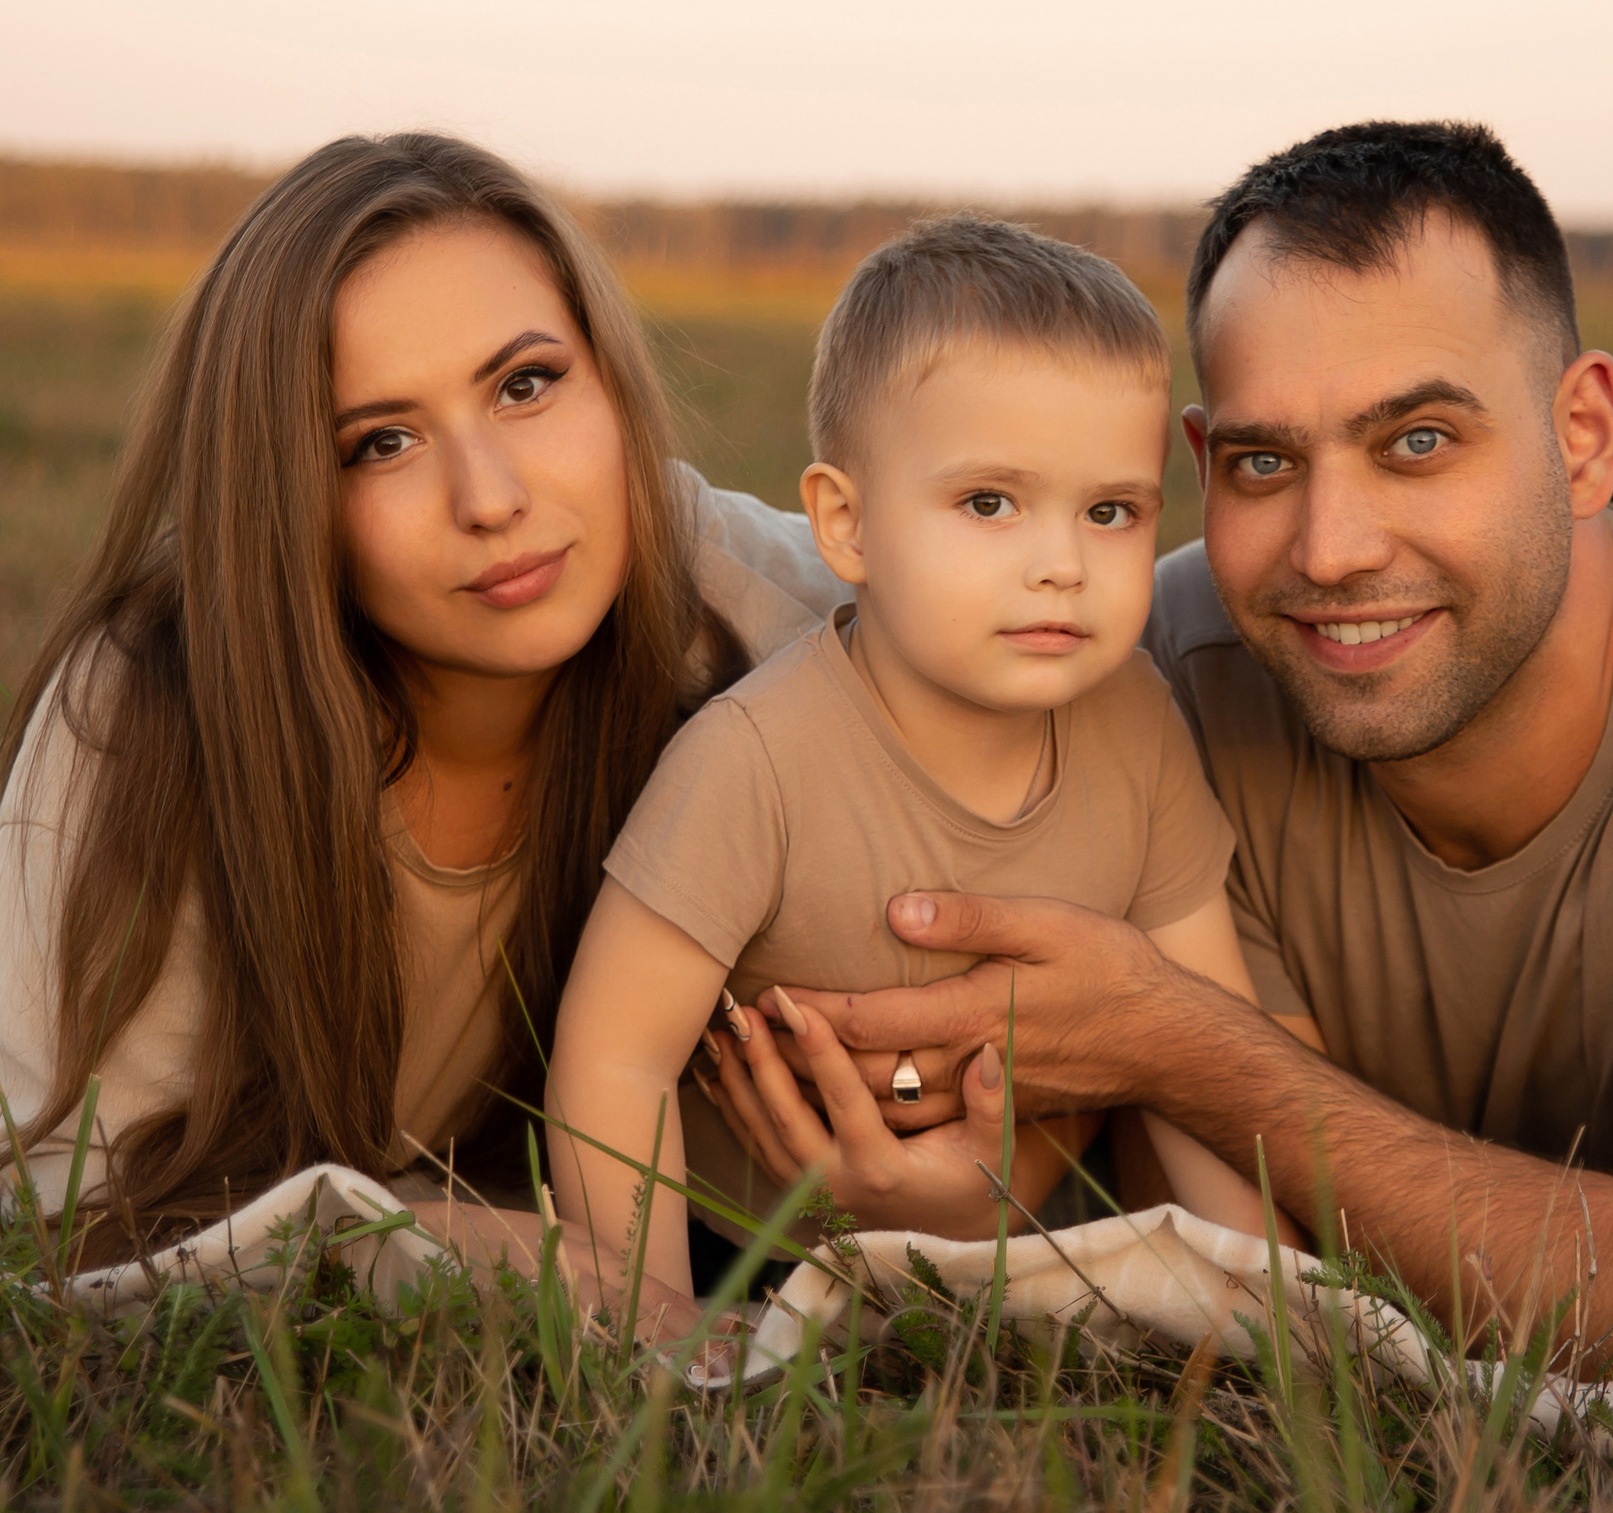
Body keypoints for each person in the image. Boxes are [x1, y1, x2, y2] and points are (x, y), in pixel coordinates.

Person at [703, 121, 1613, 1386]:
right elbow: (1248, 1256)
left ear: (1582, 435)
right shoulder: (1152, 677)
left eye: (1416, 443)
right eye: (1269, 463)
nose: (1332, 551)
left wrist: (1188, 1047)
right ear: (1206, 466)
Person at [0, 132, 847, 1286]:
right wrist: (530, 1258)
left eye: (526, 383)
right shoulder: (140, 719)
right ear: (282, 496)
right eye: (381, 442)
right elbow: (57, 1223)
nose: (492, 498)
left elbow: (1051, 608)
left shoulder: (728, 593)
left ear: (611, 378)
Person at [546, 215, 1293, 1334]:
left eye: (1111, 511)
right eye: (989, 503)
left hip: (1014, 1246)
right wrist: (656, 1322)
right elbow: (614, 1054)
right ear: (844, 524)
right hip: (738, 1243)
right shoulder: (759, 757)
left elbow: (1203, 1039)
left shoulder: (1135, 720)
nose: (1061, 562)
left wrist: (1280, 1305)